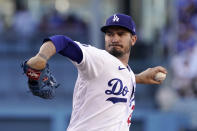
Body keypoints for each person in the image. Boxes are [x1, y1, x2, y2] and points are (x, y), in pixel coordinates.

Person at [25, 13, 167, 131]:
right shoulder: (98, 59)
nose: (115, 38)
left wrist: (139, 78)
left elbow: (115, 76)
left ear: (133, 39)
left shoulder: (126, 72)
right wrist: (41, 57)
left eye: (121, 33)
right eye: (110, 34)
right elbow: (62, 41)